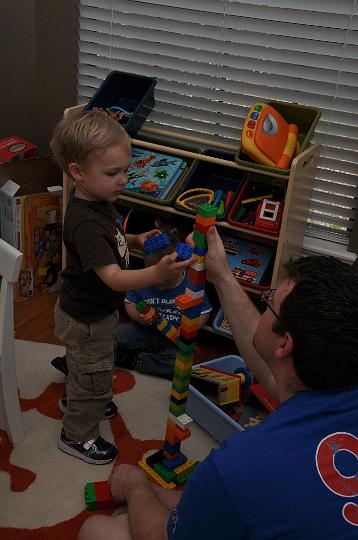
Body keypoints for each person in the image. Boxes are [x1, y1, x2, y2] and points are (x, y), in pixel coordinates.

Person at [78, 225, 358, 539]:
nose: (263, 306)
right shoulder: (332, 378)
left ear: (284, 345)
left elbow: (160, 535)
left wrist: (135, 486)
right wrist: (222, 274)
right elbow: (269, 372)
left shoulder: (237, 466)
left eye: (268, 302)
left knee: (100, 529)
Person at [50, 110, 195, 465]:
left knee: (92, 365)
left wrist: (133, 238)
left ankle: (80, 393)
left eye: (125, 170)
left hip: (94, 311)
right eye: (112, 173)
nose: (123, 180)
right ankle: (77, 434)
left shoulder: (99, 203)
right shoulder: (84, 220)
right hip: (87, 317)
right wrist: (157, 273)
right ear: (78, 173)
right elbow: (114, 277)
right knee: (94, 371)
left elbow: (109, 240)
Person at [116, 236, 212, 379]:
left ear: (181, 267)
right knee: (112, 335)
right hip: (144, 331)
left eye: (166, 280)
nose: (159, 284)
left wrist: (189, 328)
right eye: (155, 277)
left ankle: (135, 360)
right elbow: (130, 302)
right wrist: (138, 316)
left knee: (179, 365)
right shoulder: (142, 279)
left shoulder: (191, 285)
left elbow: (204, 311)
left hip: (172, 340)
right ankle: (126, 353)